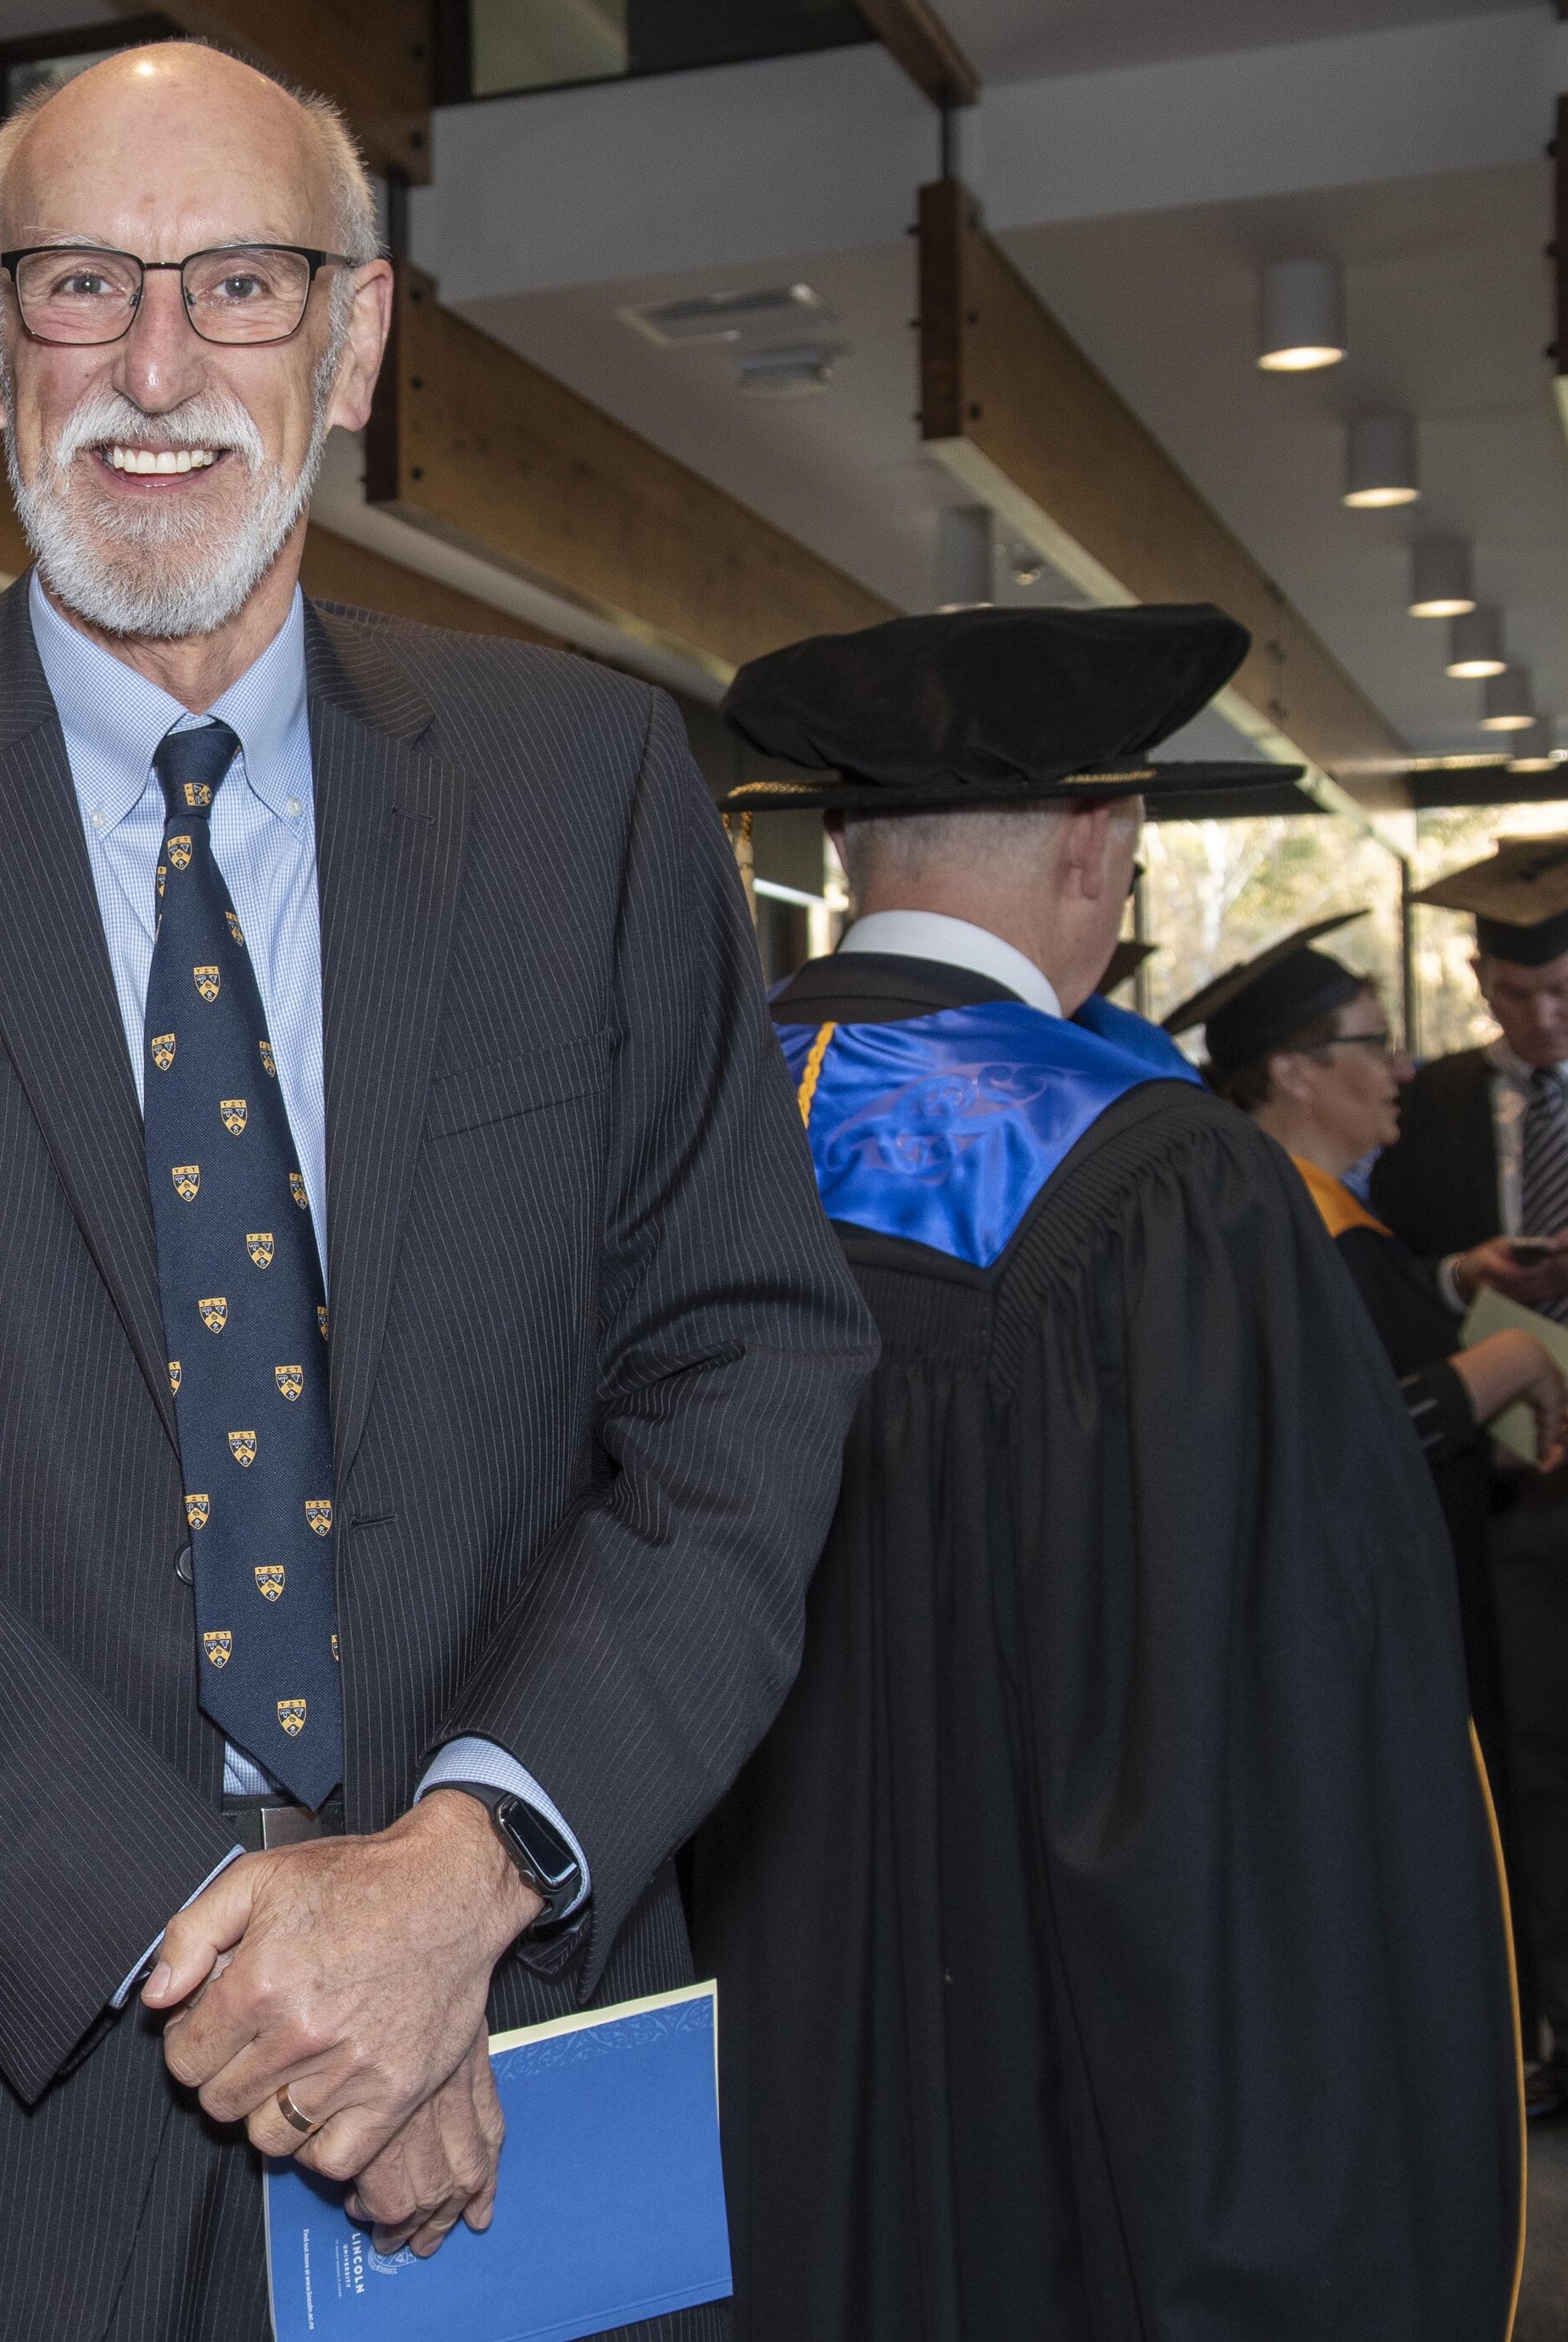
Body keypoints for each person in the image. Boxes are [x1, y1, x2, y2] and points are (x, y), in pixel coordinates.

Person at [0, 42, 875, 2339]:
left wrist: (455, 1877)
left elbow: (741, 1377)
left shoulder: (582, 793)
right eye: (81, 285)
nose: (155, 366)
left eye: (241, 285)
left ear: (355, 338)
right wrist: (227, 1936)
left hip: (501, 2073)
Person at [689, 602, 1523, 2341]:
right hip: (1017, 2061)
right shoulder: (1154, 1182)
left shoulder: (656, 1133)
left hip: (691, 2028)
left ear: (844, 846)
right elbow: (1280, 1720)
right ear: (1097, 843)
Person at [1174, 914, 1564, 1909]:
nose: (1401, 1065)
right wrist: (1508, 1360)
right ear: (1296, 1071)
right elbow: (1346, 1440)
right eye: (1372, 1041)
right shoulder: (1293, 1234)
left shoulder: (1289, 1214)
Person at [1374, 837, 1568, 2111]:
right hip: (1508, 1489)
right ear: (1476, 978)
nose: (1538, 1018)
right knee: (1535, 1755)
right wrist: (1467, 1275)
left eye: (1559, 993)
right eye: (1513, 993)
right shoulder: (1425, 1105)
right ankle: (1554, 2025)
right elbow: (1386, 1282)